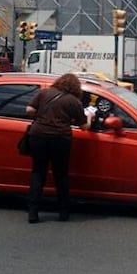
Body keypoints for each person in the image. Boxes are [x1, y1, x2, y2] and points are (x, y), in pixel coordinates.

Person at [25, 73, 93, 223]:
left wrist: (41, 116)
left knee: (38, 172)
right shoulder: (73, 101)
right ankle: (63, 212)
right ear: (75, 87)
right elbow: (84, 127)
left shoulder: (44, 93)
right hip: (60, 138)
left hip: (38, 136)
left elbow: (29, 110)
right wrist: (90, 117)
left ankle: (33, 213)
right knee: (61, 174)